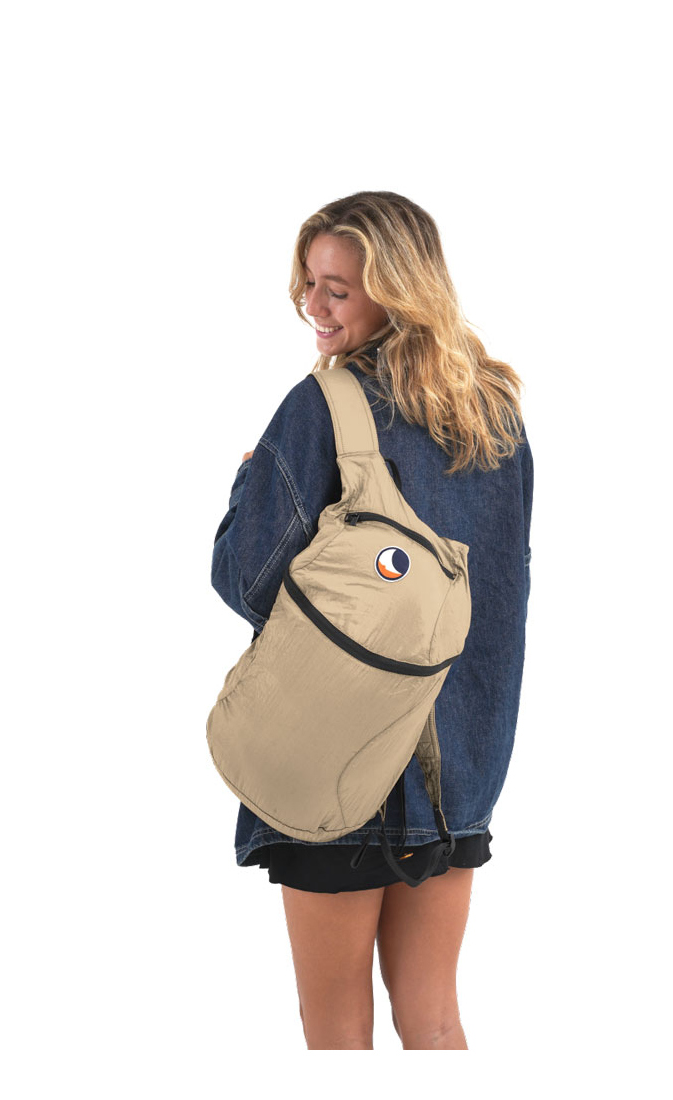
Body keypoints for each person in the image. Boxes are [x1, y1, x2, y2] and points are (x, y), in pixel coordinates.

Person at [211, 191, 533, 1049]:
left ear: (398, 288)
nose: (313, 306)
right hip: (457, 770)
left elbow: (248, 582)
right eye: (307, 283)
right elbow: (500, 600)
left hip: (338, 762)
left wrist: (250, 482)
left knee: (336, 1029)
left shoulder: (323, 406)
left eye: (338, 289)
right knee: (435, 1017)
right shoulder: (494, 418)